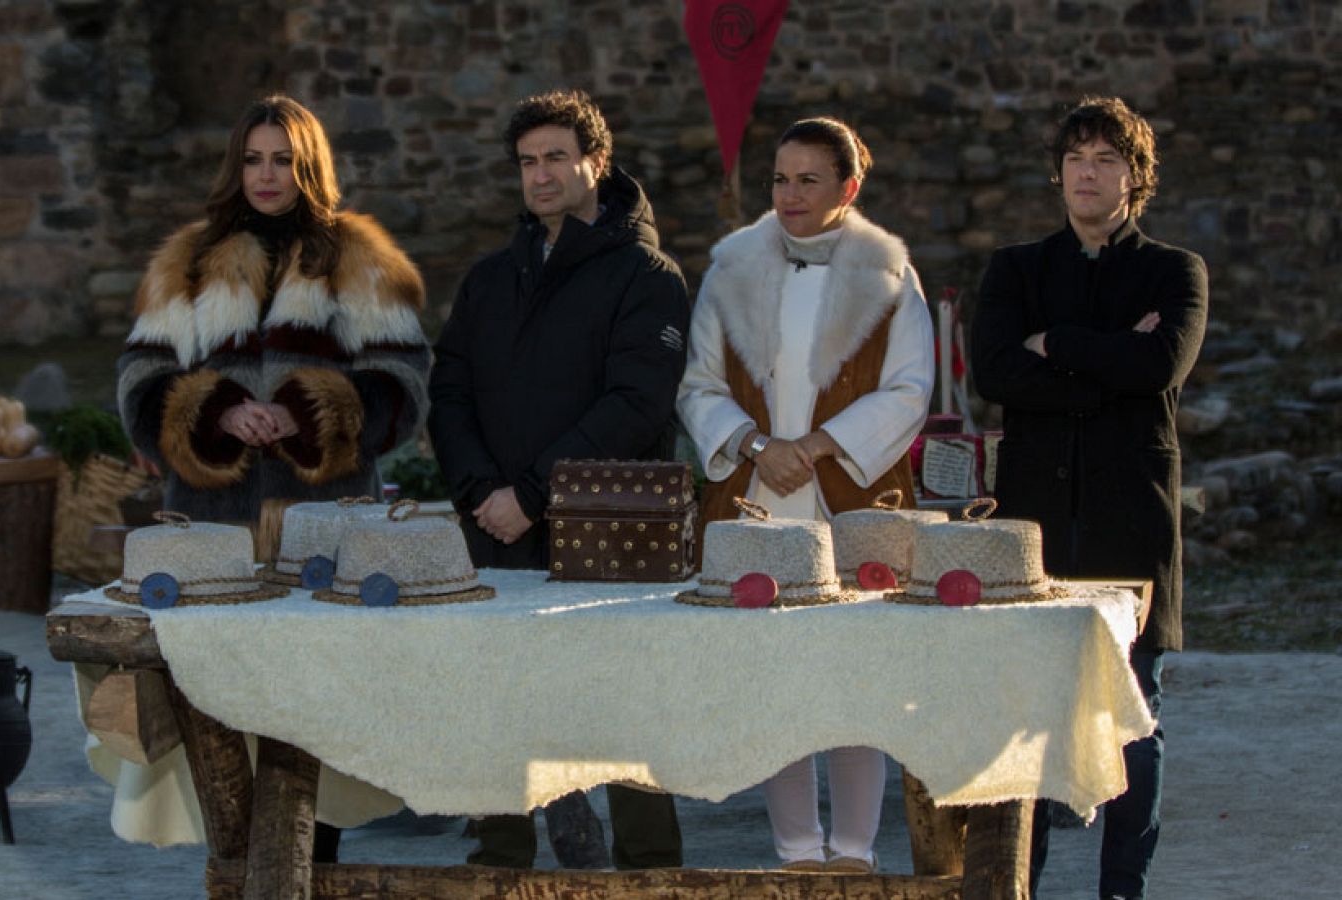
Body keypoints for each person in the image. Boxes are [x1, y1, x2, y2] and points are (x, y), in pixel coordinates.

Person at [116, 93, 431, 862]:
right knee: (218, 717)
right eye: (254, 159)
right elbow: (138, 379)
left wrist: (308, 411)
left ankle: (311, 870)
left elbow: (404, 380)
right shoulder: (186, 262)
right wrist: (215, 412)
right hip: (212, 535)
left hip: (324, 532)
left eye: (283, 160)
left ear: (307, 166)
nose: (266, 175)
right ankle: (235, 875)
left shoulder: (358, 257)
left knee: (319, 721)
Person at [428, 89, 688, 870]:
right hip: (496, 528)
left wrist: (534, 494)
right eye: (527, 162)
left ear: (596, 164)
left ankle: (649, 878)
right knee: (498, 705)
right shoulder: (490, 279)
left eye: (556, 158)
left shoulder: (647, 275)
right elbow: (449, 393)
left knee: (624, 713)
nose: (540, 176)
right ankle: (498, 868)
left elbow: (636, 405)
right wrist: (483, 493)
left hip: (609, 531)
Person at [676, 117, 934, 874]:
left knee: (855, 685)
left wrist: (817, 447)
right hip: (757, 497)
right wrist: (759, 447)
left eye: (808, 180)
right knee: (775, 685)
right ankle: (795, 855)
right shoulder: (732, 269)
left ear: (848, 187)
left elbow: (910, 389)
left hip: (852, 500)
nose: (789, 194)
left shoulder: (890, 276)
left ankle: (852, 856)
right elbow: (698, 386)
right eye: (780, 179)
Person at [971, 96, 1207, 900]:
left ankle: (1121, 890)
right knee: (1027, 721)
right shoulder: (1017, 270)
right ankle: (1017, 885)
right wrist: (1109, 363)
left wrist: (1057, 346)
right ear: (1059, 172)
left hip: (1130, 521)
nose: (1088, 173)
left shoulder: (1175, 272)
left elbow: (1160, 367)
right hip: (1034, 523)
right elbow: (997, 373)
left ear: (1136, 177)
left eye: (1107, 159)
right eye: (1076, 158)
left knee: (1135, 715)